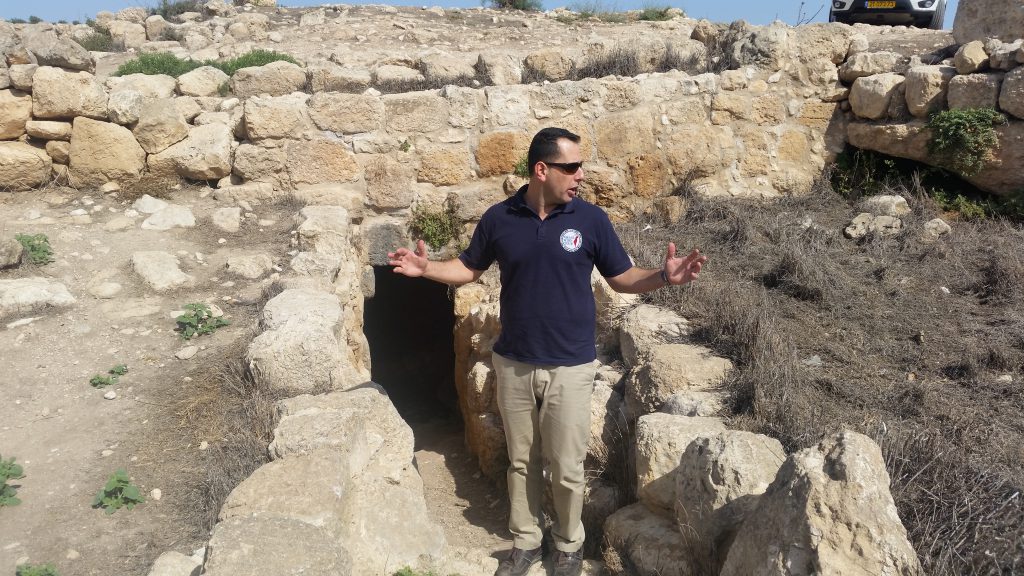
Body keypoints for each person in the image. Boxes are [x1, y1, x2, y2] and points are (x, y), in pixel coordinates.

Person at [388, 127, 706, 576]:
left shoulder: (591, 220)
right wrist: (426, 269)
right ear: (542, 170)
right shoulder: (499, 218)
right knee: (521, 461)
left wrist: (662, 277)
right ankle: (525, 544)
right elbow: (467, 268)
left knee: (567, 465)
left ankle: (569, 546)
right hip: (515, 361)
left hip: (571, 365)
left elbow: (621, 277)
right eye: (572, 167)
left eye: (580, 167)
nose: (580, 176)